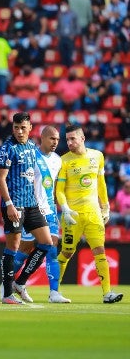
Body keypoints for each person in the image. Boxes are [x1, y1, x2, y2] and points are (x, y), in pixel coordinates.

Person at [56, 125, 123, 304]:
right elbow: (59, 190)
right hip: (73, 216)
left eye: (72, 139)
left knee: (100, 251)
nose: (69, 142)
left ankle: (107, 293)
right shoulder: (63, 161)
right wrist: (65, 208)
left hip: (93, 214)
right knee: (67, 252)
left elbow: (101, 183)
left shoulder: (97, 156)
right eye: (67, 139)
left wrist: (106, 207)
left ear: (82, 138)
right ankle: (54, 291)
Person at [0, 112, 54, 304]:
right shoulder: (7, 148)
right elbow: (1, 179)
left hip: (31, 204)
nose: (19, 131)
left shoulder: (31, 147)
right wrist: (9, 204)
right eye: (16, 127)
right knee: (12, 247)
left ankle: (20, 282)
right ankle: (6, 294)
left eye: (23, 128)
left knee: (46, 243)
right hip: (15, 204)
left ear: (30, 128)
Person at [12, 126, 71, 303]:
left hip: (50, 210)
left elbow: (52, 187)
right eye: (52, 138)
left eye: (57, 139)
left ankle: (54, 293)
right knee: (25, 249)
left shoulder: (58, 160)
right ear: (42, 138)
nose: (55, 142)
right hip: (31, 209)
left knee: (52, 249)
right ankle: (8, 284)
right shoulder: (32, 156)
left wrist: (59, 207)